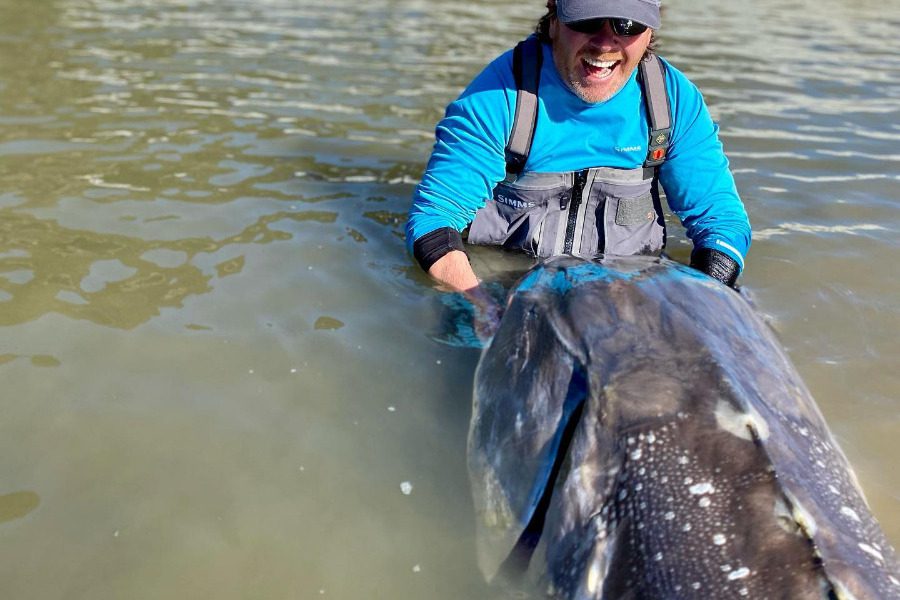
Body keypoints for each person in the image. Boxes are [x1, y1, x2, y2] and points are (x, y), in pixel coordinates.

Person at [406, 0, 751, 331]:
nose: (604, 44)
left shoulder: (674, 101)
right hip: (503, 283)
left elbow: (721, 223)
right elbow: (434, 221)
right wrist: (482, 307)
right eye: (586, 20)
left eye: (626, 24)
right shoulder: (496, 97)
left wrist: (703, 309)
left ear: (649, 29)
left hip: (625, 291)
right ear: (554, 16)